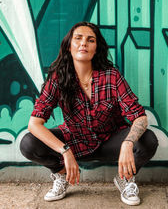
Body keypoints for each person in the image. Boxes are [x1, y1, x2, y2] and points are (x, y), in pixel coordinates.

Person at [20, 21, 158, 206]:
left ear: (96, 49)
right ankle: (61, 175)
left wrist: (127, 142)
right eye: (78, 38)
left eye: (90, 40)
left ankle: (124, 179)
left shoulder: (111, 76)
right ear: (69, 46)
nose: (83, 43)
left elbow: (139, 116)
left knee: (148, 140)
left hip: (110, 141)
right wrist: (65, 151)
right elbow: (34, 124)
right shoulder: (57, 79)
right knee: (28, 143)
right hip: (74, 142)